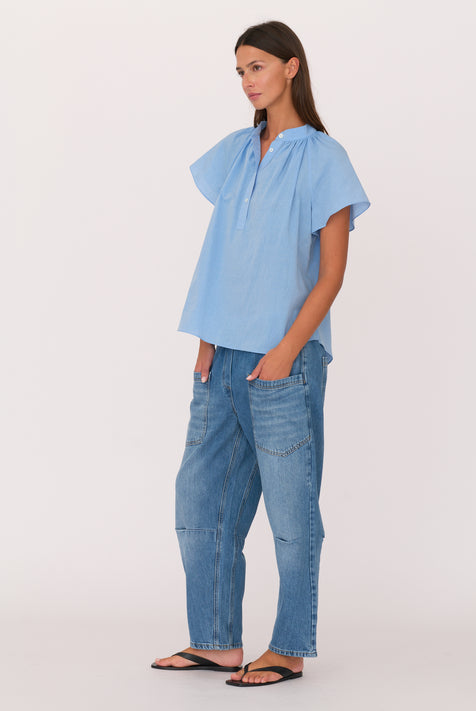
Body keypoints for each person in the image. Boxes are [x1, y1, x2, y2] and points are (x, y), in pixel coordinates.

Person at [151, 20, 370, 687]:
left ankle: (288, 647)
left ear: (291, 67)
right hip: (221, 358)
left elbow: (331, 275)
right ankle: (216, 641)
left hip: (285, 364)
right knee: (199, 503)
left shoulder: (324, 158)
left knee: (291, 514)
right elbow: (224, 251)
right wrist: (206, 340)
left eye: (257, 67)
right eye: (240, 71)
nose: (247, 81)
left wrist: (284, 352)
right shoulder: (236, 152)